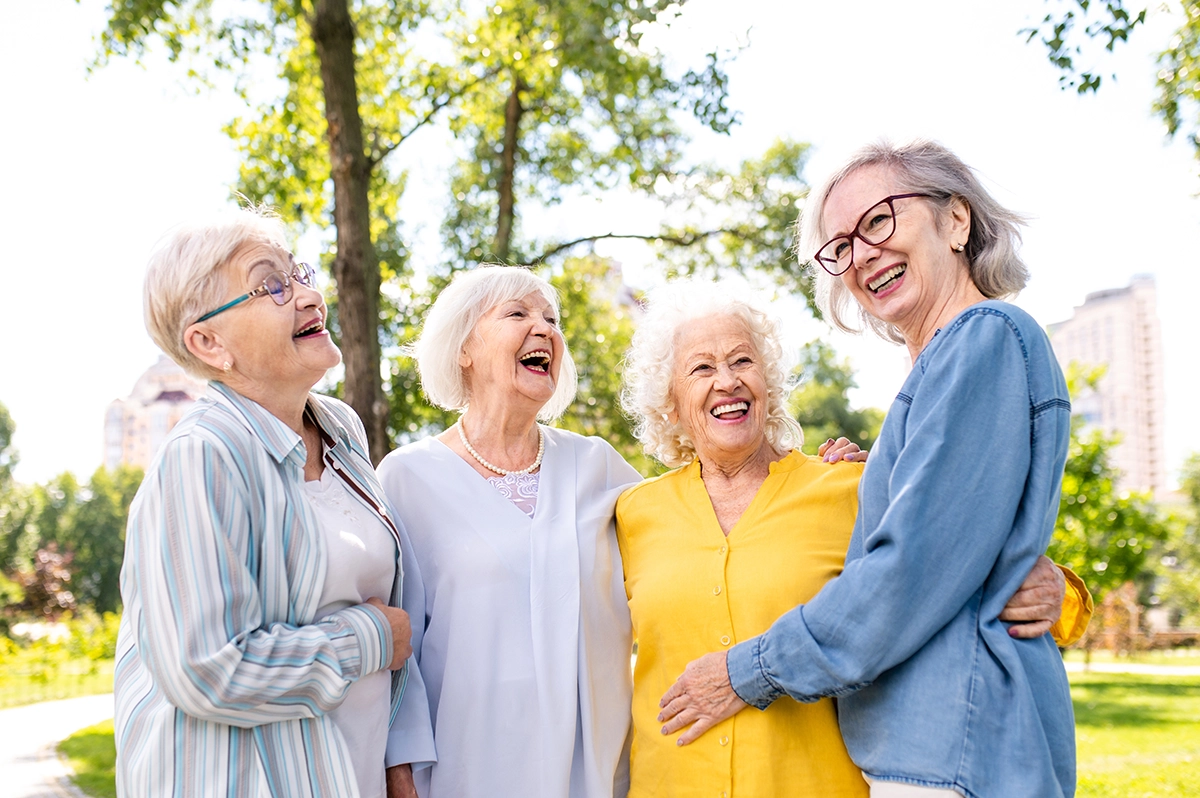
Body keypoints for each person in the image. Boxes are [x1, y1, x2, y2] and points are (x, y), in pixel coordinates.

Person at [657, 141, 1083, 797]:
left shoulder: (985, 337)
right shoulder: (937, 373)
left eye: (879, 220)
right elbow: (955, 540)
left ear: (957, 221)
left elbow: (910, 569)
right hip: (919, 757)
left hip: (954, 755)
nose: (861, 255)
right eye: (841, 246)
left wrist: (747, 671)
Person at [114, 209, 417, 798]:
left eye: (299, 274)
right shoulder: (202, 456)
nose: (308, 296)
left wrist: (395, 761)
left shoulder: (342, 430)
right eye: (272, 285)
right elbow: (207, 668)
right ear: (209, 342)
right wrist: (369, 639)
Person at [377, 265, 643, 798]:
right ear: (463, 350)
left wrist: (802, 470)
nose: (544, 328)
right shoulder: (406, 478)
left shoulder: (598, 465)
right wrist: (397, 769)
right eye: (517, 314)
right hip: (464, 768)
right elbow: (393, 646)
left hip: (592, 771)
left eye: (551, 318)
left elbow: (697, 524)